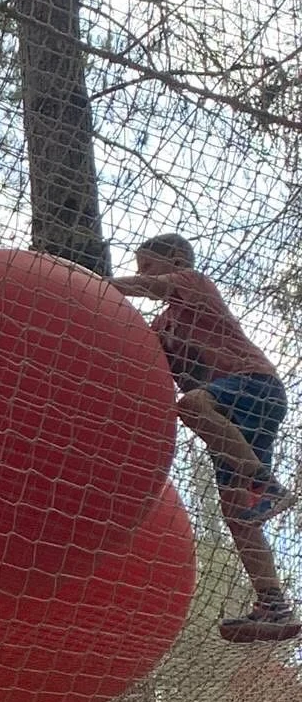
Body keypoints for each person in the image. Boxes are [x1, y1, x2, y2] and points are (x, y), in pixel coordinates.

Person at [112, 233, 298, 643]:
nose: (142, 274)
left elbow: (152, 288)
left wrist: (99, 285)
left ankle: (265, 484)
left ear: (177, 261)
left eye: (147, 265)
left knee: (192, 404)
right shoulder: (164, 326)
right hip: (226, 423)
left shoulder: (193, 283)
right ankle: (274, 605)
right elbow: (139, 347)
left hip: (254, 387)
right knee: (238, 514)